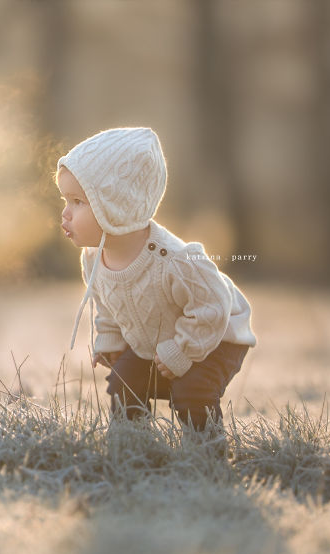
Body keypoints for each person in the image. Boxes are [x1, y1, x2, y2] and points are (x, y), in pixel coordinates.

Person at [56, 127, 257, 431]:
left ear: (117, 204)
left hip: (216, 336)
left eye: (78, 202)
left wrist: (182, 351)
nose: (65, 214)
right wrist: (110, 338)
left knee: (191, 391)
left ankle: (206, 456)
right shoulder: (93, 258)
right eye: (65, 201)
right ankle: (131, 445)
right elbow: (108, 303)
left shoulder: (175, 260)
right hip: (159, 340)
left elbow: (214, 306)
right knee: (124, 381)